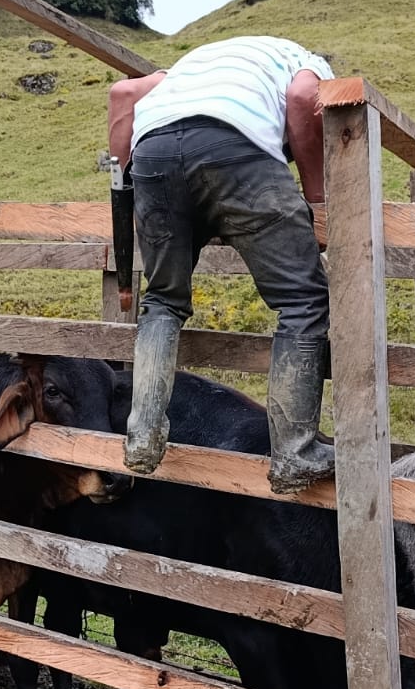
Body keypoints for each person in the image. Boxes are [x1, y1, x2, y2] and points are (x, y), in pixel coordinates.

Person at [108, 35, 336, 494]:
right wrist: (318, 200)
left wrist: (126, 186)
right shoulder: (306, 61)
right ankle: (294, 452)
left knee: (163, 302)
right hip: (238, 150)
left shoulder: (190, 70)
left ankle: (142, 438)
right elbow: (300, 99)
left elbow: (123, 94)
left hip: (152, 151)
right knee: (302, 301)